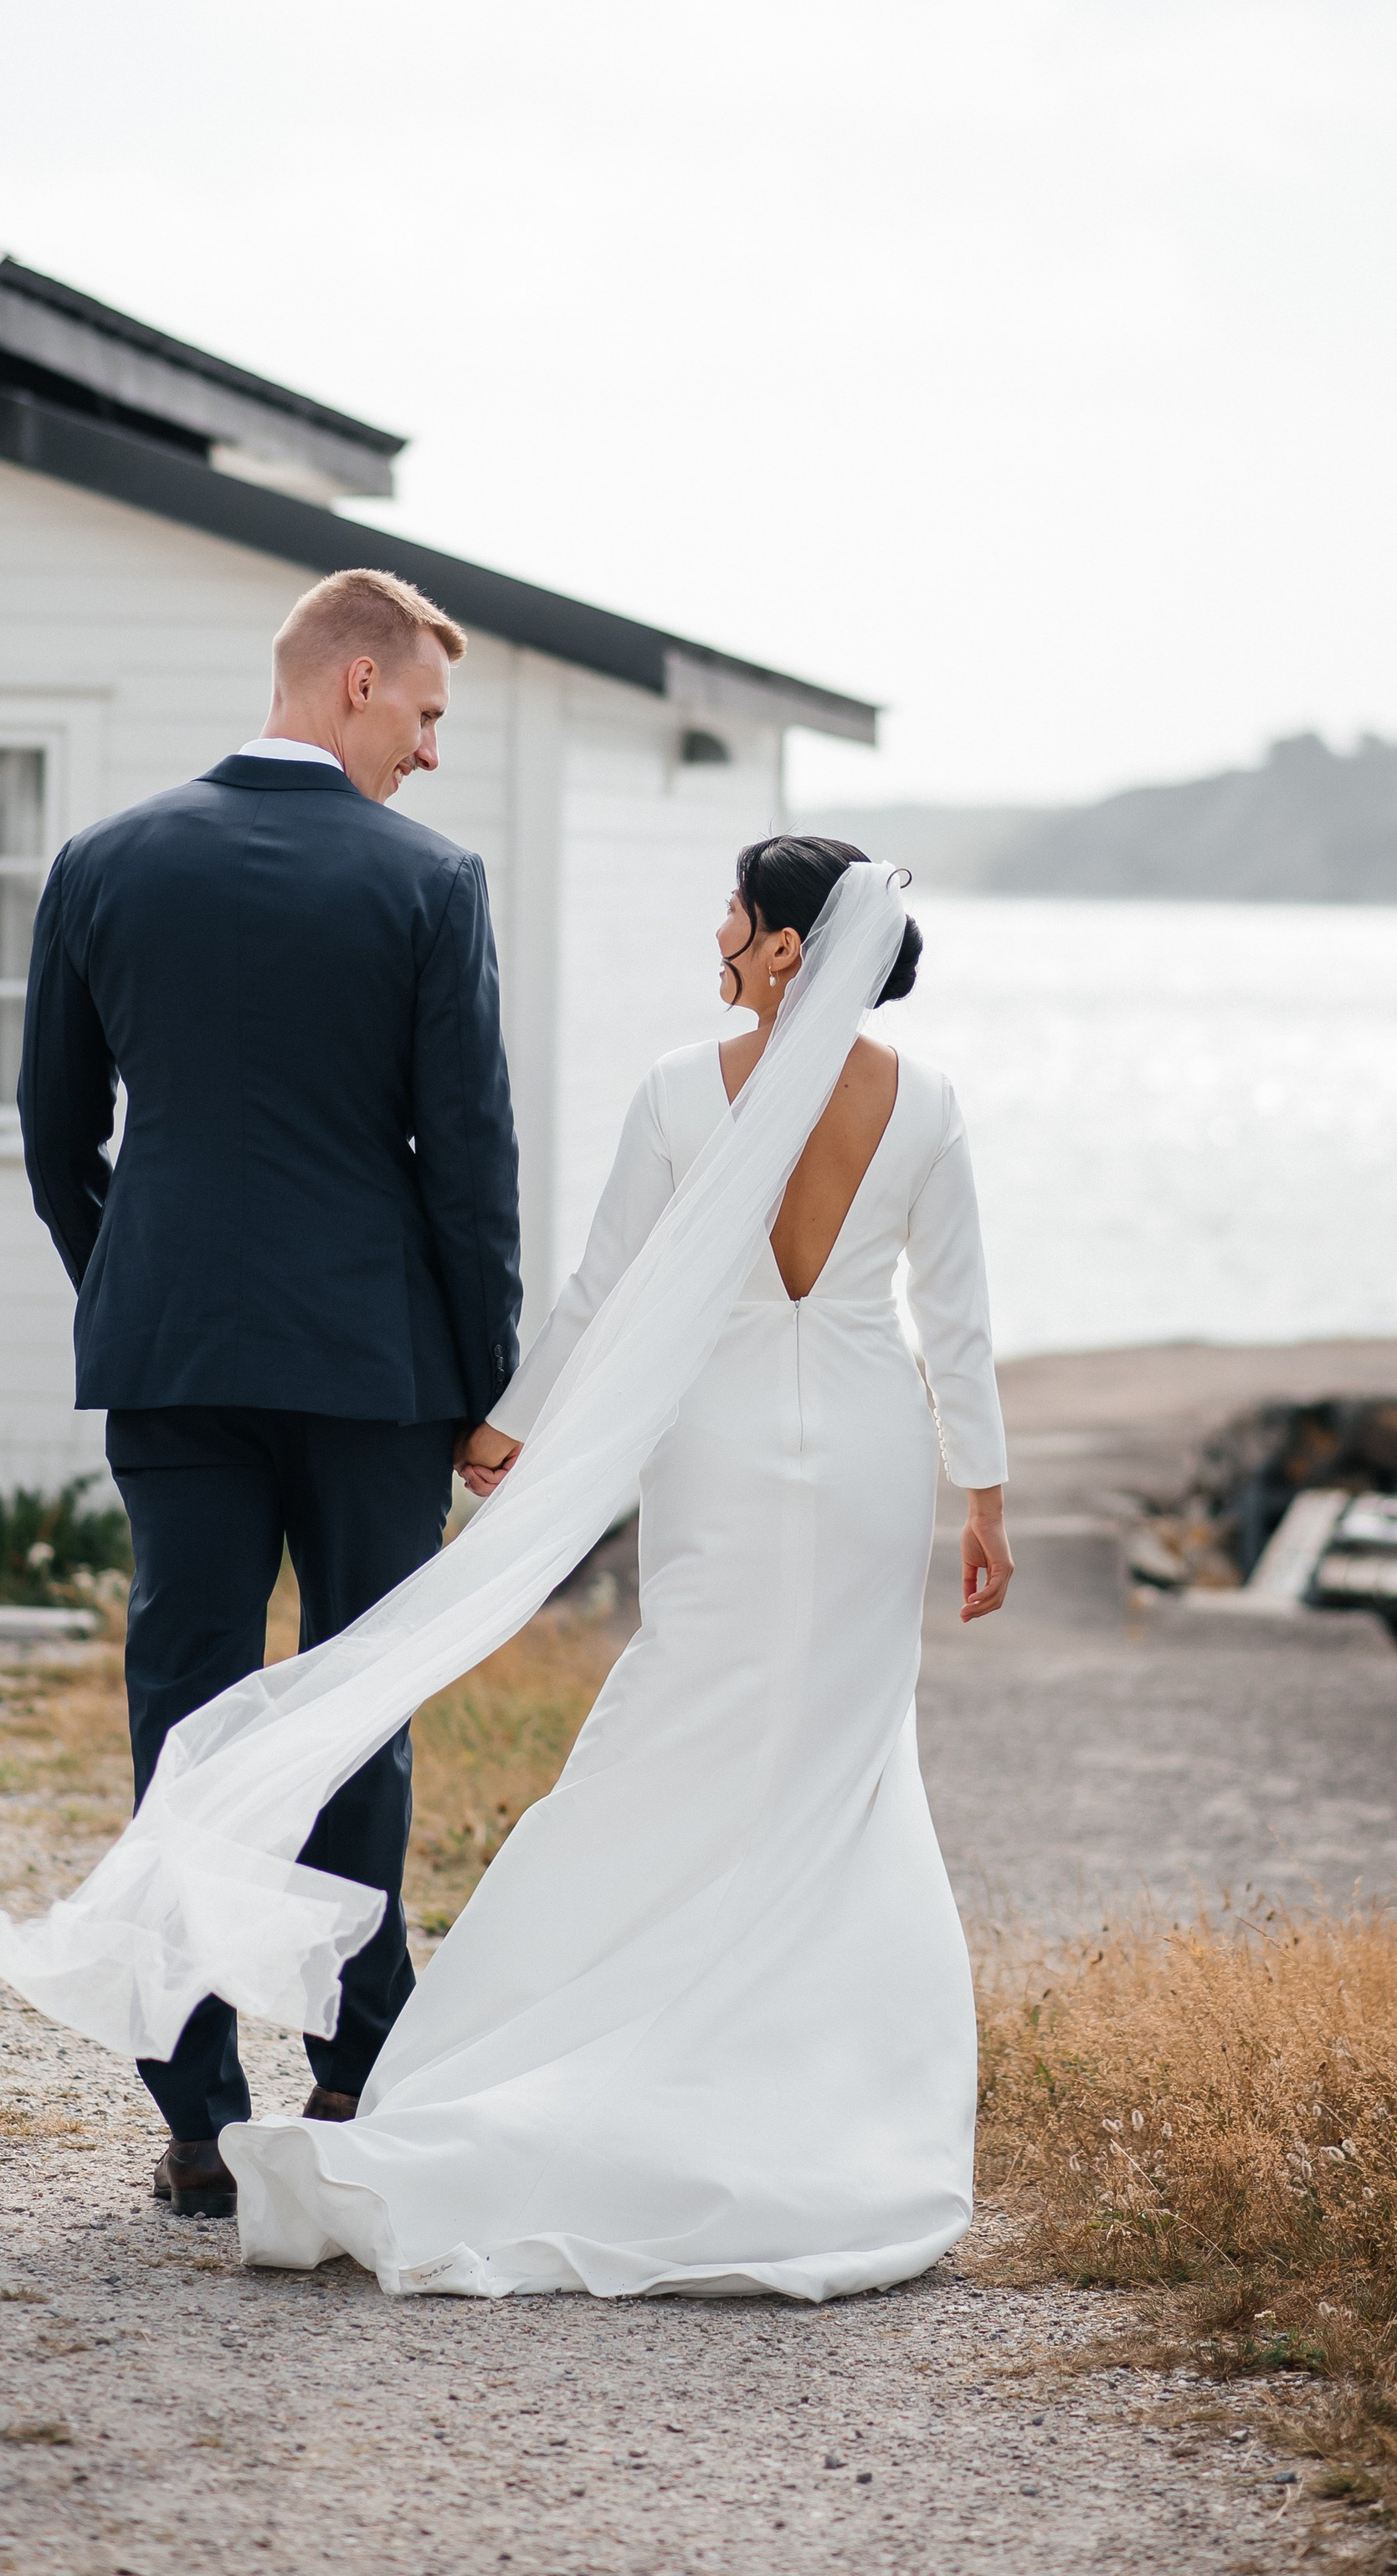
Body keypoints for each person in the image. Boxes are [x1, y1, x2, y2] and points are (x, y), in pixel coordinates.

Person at [217, 835, 1013, 2298]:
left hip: (711, 1450)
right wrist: (987, 1494)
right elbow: (952, 1320)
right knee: (840, 1756)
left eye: (738, 910)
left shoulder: (674, 1091)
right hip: (872, 1454)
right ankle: (800, 2063)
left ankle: (597, 2023)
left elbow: (602, 1292)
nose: (718, 927)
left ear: (785, 951)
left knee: (678, 1720)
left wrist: (506, 1426)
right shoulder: (931, 1106)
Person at [17, 567, 521, 2219]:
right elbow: (468, 1165)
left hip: (174, 1358)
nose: (433, 754)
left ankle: (199, 2114)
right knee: (354, 1703)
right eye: (429, 714)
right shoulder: (430, 884)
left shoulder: (101, 865)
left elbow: (53, 1136)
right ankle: (357, 2062)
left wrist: (137, 1288)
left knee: (185, 1709)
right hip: (371, 1368)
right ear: (358, 679)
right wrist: (478, 1374)